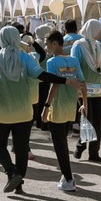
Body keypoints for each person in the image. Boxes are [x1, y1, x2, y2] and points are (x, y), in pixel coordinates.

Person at [0, 25, 51, 194]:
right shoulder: (26, 57)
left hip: (2, 113)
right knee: (21, 148)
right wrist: (64, 80)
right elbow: (42, 75)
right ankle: (18, 184)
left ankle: (11, 172)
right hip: (24, 111)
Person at [41, 32, 83, 191]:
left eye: (47, 44)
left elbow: (55, 84)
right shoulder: (74, 60)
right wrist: (83, 103)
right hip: (70, 106)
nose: (45, 47)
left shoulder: (51, 62)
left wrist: (46, 106)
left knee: (60, 145)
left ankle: (69, 178)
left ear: (54, 44)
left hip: (57, 106)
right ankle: (66, 177)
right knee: (62, 142)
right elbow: (81, 82)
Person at [73, 18, 101, 162]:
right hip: (84, 89)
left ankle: (94, 152)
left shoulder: (98, 45)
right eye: (98, 30)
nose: (100, 33)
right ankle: (81, 145)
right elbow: (75, 65)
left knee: (96, 122)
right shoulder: (78, 45)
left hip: (98, 89)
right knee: (86, 119)